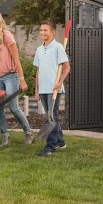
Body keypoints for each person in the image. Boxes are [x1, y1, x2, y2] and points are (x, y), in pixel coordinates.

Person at [0, 10, 34, 146]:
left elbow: (16, 59)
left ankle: (29, 132)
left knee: (13, 107)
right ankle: (5, 137)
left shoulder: (7, 35)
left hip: (11, 76)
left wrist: (22, 79)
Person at [33, 20, 70, 157]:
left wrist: (60, 82)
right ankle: (60, 141)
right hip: (43, 89)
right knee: (52, 117)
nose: (42, 32)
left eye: (45, 30)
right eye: (41, 30)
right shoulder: (39, 49)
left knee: (51, 118)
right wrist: (36, 89)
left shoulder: (58, 47)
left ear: (52, 32)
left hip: (54, 89)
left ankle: (50, 148)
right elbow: (38, 71)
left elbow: (67, 67)